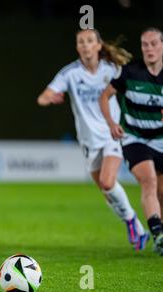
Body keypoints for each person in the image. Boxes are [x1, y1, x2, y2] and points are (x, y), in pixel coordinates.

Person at [38, 29, 149, 250]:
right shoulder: (70, 73)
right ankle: (134, 223)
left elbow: (132, 88)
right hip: (88, 139)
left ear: (99, 46)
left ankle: (131, 221)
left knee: (108, 182)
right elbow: (42, 98)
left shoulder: (113, 69)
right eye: (81, 42)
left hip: (112, 132)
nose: (85, 45)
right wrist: (52, 97)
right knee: (107, 192)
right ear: (77, 47)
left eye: (90, 41)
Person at [100, 27, 163, 255]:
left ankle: (160, 232)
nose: (149, 49)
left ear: (162, 45)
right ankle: (157, 234)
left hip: (161, 140)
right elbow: (105, 95)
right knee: (149, 182)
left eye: (154, 43)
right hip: (134, 138)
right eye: (145, 44)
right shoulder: (130, 72)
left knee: (162, 191)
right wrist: (111, 123)